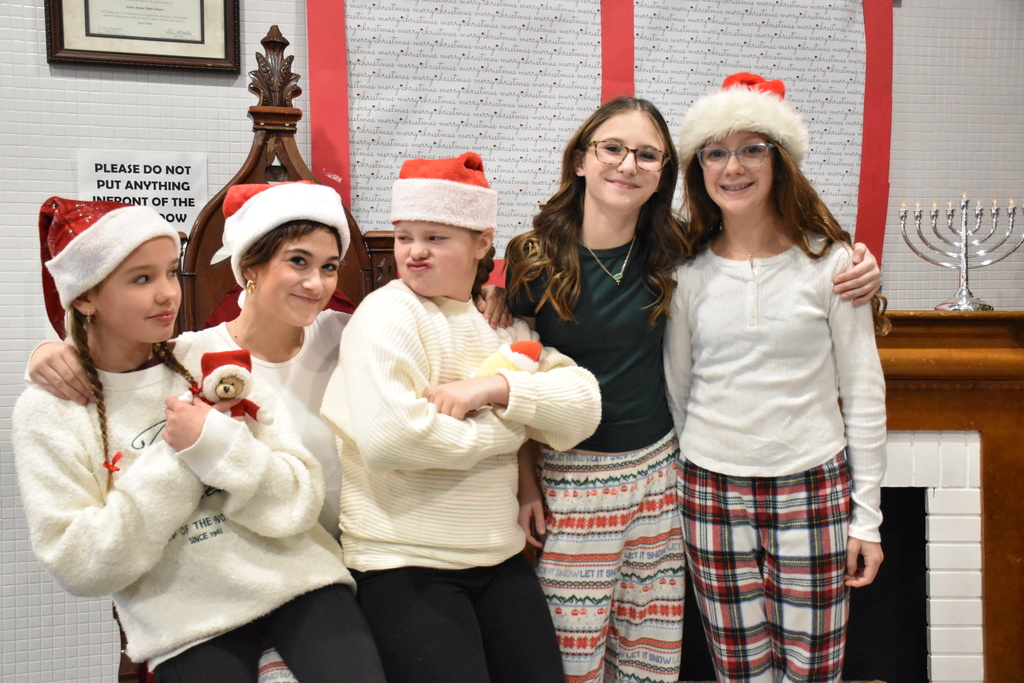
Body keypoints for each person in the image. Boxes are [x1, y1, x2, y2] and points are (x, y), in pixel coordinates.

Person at [504, 96, 882, 683]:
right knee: (576, 660)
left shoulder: (675, 253)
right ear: (580, 159)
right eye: (612, 148)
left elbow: (854, 380)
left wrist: (863, 266)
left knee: (653, 662)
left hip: (674, 481)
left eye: (647, 155)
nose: (628, 164)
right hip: (595, 485)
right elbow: (520, 376)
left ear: (663, 174)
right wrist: (526, 482)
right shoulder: (544, 259)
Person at [13, 198, 386, 683]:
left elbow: (298, 500)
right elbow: (82, 563)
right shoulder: (51, 411)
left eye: (171, 272)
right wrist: (178, 459)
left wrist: (217, 446)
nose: (167, 294)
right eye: (141, 279)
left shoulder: (214, 361)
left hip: (302, 581)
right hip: (186, 621)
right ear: (84, 298)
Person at [318, 152, 603, 683]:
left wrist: (494, 388)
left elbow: (583, 407)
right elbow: (392, 441)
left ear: (482, 242)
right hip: (403, 562)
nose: (415, 252)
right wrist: (513, 424)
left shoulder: (501, 327)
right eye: (404, 236)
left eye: (436, 237)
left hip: (499, 557)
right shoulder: (387, 313)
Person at [665, 72, 888, 682]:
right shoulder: (686, 273)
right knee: (738, 671)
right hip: (711, 492)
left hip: (811, 485)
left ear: (780, 160)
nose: (732, 166)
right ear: (699, 169)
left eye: (751, 149)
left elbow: (864, 393)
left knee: (814, 671)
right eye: (715, 152)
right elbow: (678, 389)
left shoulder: (833, 265)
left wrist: (867, 518)